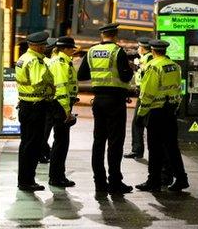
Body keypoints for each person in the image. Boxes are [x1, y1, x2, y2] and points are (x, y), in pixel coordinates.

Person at [78, 23, 133, 194]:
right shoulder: (118, 52)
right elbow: (125, 76)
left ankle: (99, 183)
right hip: (115, 101)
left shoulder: (92, 51)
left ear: (102, 36)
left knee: (99, 141)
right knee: (115, 142)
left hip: (99, 101)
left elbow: (82, 75)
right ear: (115, 35)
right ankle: (115, 182)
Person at [135, 40, 189, 192]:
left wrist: (141, 114)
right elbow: (178, 89)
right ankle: (181, 179)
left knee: (155, 148)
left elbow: (147, 93)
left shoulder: (153, 66)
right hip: (170, 111)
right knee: (172, 147)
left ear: (152, 51)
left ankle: (153, 181)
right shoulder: (174, 66)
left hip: (156, 112)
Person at [15, 31, 55, 191]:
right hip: (35, 107)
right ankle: (27, 181)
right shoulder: (35, 61)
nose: (45, 47)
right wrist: (50, 88)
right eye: (44, 45)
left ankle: (24, 179)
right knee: (32, 146)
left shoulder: (23, 58)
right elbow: (38, 82)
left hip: (25, 105)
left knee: (25, 144)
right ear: (38, 46)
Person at [47, 36, 78, 187]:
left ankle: (58, 175)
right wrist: (66, 110)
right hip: (60, 105)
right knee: (61, 142)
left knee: (60, 142)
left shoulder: (60, 60)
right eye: (71, 48)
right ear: (64, 49)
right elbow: (61, 87)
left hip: (59, 105)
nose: (73, 50)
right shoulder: (60, 63)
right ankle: (56, 177)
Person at [124, 37, 153, 160]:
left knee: (139, 122)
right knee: (140, 122)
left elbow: (146, 74)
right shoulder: (145, 57)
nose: (137, 49)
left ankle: (138, 150)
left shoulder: (149, 58)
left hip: (146, 94)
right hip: (143, 93)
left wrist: (136, 68)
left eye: (138, 47)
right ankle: (138, 150)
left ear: (142, 48)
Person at [40, 37, 58, 164]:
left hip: (43, 100)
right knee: (45, 130)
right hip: (49, 101)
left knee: (43, 129)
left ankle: (44, 151)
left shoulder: (43, 61)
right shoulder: (49, 63)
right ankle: (42, 153)